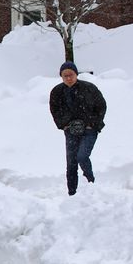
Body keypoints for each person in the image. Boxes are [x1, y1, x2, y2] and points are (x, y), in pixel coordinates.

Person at [48, 61, 107, 196]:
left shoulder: (89, 88)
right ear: (61, 77)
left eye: (71, 75)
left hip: (89, 130)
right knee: (71, 163)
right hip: (70, 132)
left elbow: (101, 106)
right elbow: (55, 110)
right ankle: (72, 193)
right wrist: (65, 124)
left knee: (82, 156)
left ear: (76, 74)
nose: (69, 78)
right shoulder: (57, 92)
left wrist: (92, 123)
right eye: (65, 76)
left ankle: (90, 182)